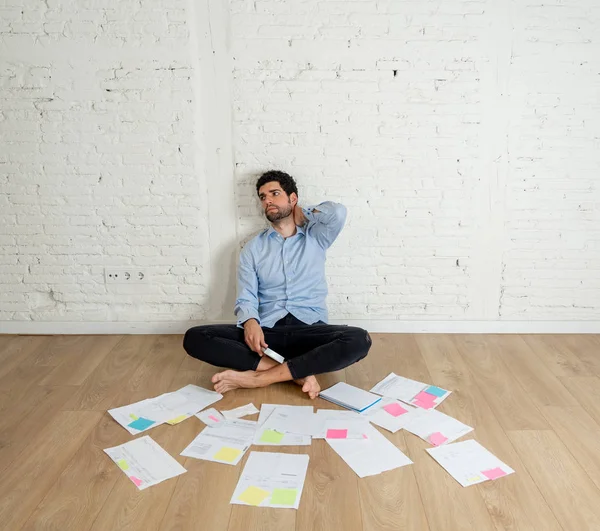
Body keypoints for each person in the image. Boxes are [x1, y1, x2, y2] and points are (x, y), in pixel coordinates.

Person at [183, 170, 372, 399]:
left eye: (274, 193)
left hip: (310, 332)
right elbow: (247, 296)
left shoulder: (317, 238)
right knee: (195, 337)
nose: (268, 201)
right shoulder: (252, 249)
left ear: (293, 198)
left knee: (359, 339)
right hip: (267, 334)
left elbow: (338, 212)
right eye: (263, 197)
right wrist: (251, 321)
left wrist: (303, 214)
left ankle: (260, 378)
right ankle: (297, 372)